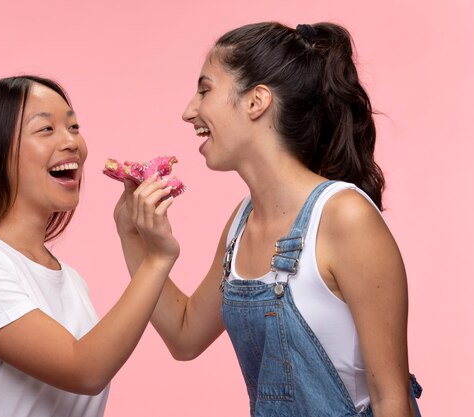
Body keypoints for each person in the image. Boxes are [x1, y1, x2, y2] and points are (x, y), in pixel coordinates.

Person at [115, 22, 422, 417]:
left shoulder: (345, 218)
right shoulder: (242, 224)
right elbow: (185, 335)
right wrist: (132, 235)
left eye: (205, 90)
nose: (189, 110)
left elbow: (391, 402)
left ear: (256, 101)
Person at [0, 75, 179, 417]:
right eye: (46, 130)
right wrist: (158, 258)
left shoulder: (71, 280)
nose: (72, 142)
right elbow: (84, 370)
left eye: (74, 127)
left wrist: (134, 237)